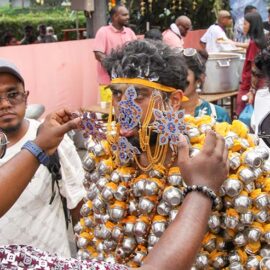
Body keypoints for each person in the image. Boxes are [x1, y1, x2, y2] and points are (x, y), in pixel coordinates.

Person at [73, 39, 269, 269]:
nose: (124, 108)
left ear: (174, 100)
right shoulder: (103, 157)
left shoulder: (223, 161)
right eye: (117, 95)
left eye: (138, 96)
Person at [0, 58, 86, 257]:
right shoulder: (45, 140)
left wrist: (85, 257)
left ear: (26, 97)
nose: (5, 104)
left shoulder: (53, 137)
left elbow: (78, 203)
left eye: (13, 95)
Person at [93, 4, 136, 104]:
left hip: (127, 82)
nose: (128, 17)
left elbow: (136, 52)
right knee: (110, 114)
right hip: (108, 83)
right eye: (124, 15)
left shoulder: (129, 32)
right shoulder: (103, 31)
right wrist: (116, 66)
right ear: (115, 16)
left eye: (128, 15)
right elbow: (98, 54)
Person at [181, 48, 231, 123]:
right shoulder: (164, 115)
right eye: (175, 74)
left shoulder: (219, 115)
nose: (178, 79)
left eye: (184, 74)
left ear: (200, 78)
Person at [235, 12, 266, 116]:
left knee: (243, 114)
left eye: (245, 24)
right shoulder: (263, 41)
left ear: (252, 26)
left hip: (249, 85)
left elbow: (254, 68)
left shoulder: (253, 44)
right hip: (261, 84)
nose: (243, 27)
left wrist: (251, 91)